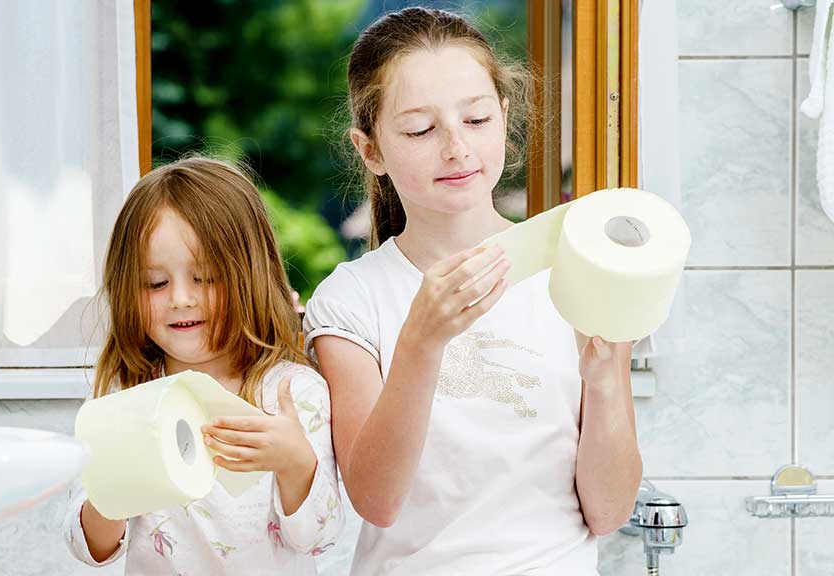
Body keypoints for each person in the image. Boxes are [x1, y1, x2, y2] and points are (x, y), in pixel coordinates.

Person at [304, 7, 642, 575]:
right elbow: (376, 502)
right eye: (420, 129)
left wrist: (606, 381)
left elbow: (607, 512)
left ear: (504, 119)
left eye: (478, 120)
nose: (456, 147)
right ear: (371, 150)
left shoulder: (576, 273)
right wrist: (420, 341)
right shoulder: (351, 301)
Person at [65, 156, 342, 575]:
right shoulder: (124, 395)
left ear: (250, 276)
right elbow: (91, 548)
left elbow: (316, 538)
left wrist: (294, 461)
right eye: (155, 283)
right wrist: (115, 485)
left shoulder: (290, 394)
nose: (180, 298)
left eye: (206, 277)